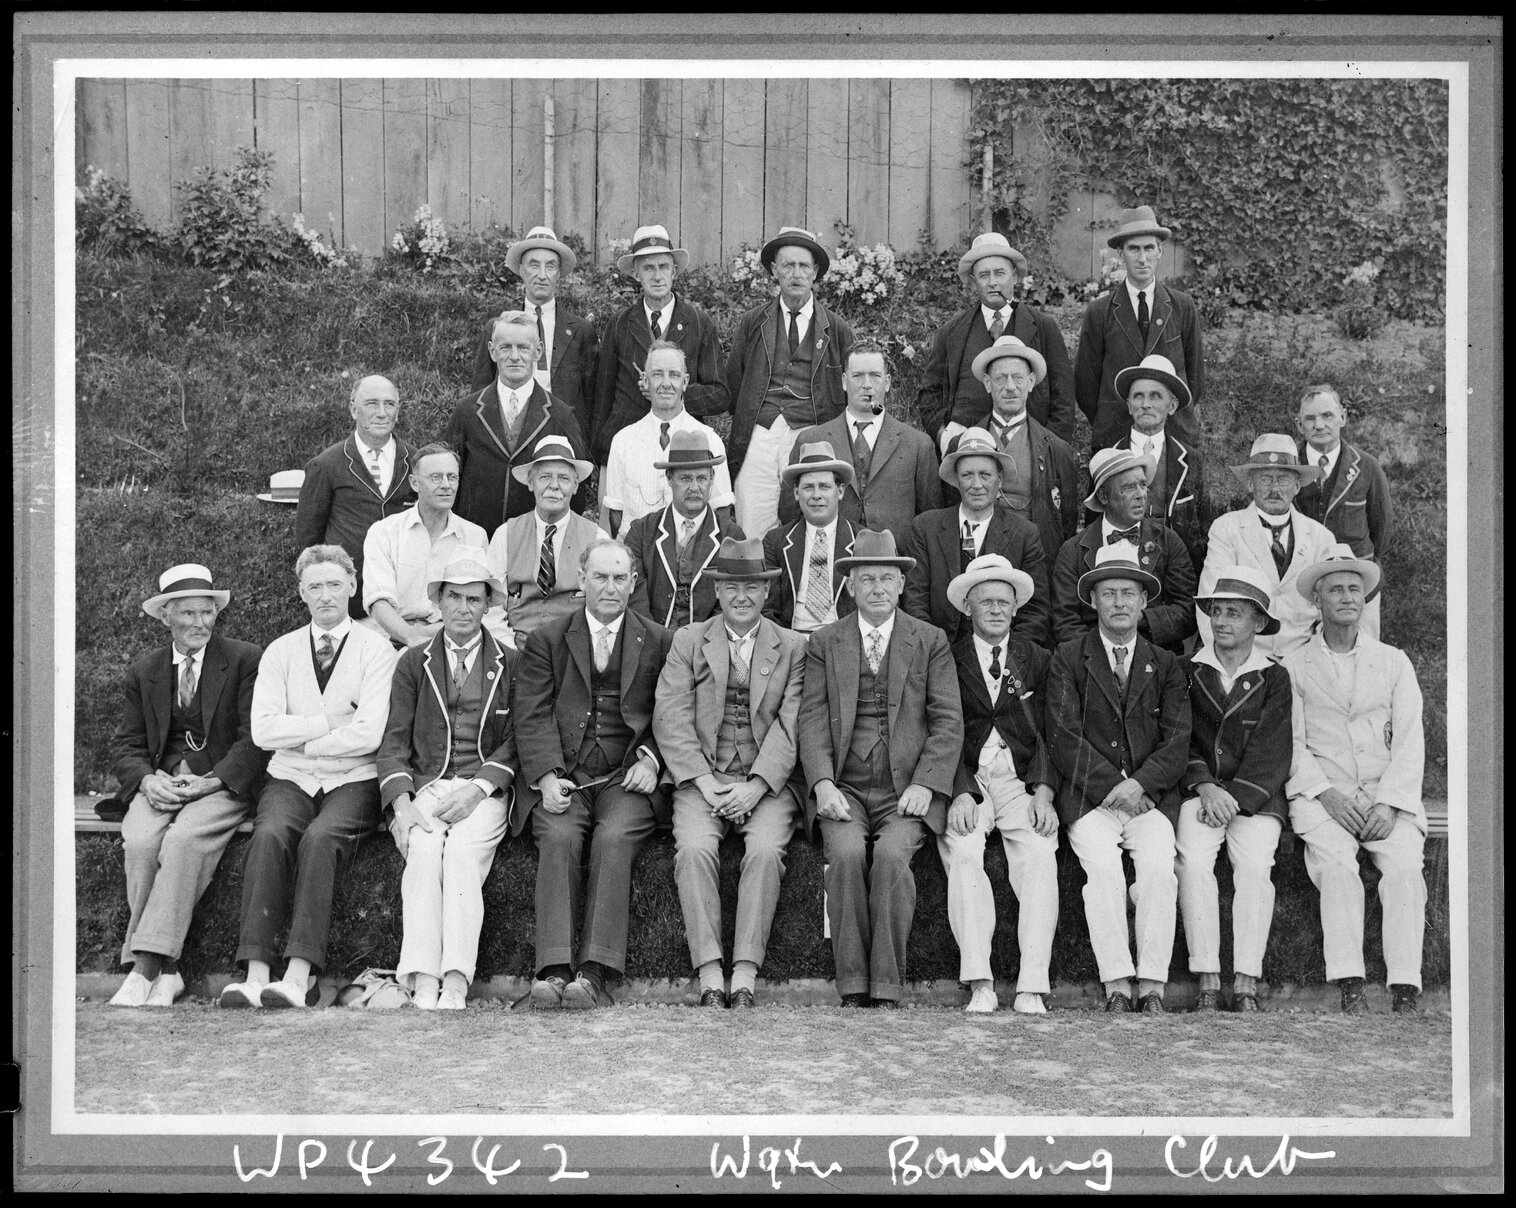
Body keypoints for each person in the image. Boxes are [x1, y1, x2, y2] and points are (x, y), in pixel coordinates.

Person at [220, 545, 397, 1009]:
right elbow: (263, 730)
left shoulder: (378, 651)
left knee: (320, 838)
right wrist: (329, 724)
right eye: (314, 586)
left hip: (353, 778)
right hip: (290, 776)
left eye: (334, 584)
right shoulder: (280, 650)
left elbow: (370, 733)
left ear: (353, 587)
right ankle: (256, 975)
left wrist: (300, 735)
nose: (325, 595)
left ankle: (299, 977)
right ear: (301, 592)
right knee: (271, 833)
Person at [797, 529, 963, 1007]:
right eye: (866, 578)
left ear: (901, 585)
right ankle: (852, 984)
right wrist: (823, 783)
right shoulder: (826, 641)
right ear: (849, 586)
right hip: (846, 786)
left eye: (886, 579)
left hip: (904, 789)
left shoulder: (928, 640)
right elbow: (811, 717)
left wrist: (928, 784)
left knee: (892, 858)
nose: (876, 588)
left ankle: (886, 986)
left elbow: (948, 720)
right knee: (846, 856)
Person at [514, 538, 674, 1010]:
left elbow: (673, 714)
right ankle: (554, 971)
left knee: (615, 837)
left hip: (627, 777)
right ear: (581, 581)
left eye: (619, 578)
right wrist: (545, 776)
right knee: (559, 836)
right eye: (600, 577)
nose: (610, 587)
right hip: (566, 773)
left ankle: (594, 972)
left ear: (633, 582)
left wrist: (650, 758)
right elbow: (532, 713)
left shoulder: (660, 640)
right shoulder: (547, 639)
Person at [653, 537, 807, 1008]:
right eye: (732, 587)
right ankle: (708, 971)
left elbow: (791, 722)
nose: (742, 596)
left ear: (766, 593)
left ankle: (744, 971)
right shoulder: (688, 639)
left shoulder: (794, 646)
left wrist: (757, 786)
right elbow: (670, 714)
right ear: (717, 593)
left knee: (763, 851)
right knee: (695, 850)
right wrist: (703, 781)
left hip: (765, 782)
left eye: (752, 587)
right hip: (704, 776)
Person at [108, 564, 270, 1008]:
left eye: (207, 612)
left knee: (182, 840)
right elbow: (126, 744)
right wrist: (146, 779)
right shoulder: (145, 672)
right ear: (166, 618)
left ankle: (143, 967)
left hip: (221, 783)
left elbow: (255, 737)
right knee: (140, 841)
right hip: (163, 782)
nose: (200, 623)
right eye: (188, 614)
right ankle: (171, 971)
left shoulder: (244, 659)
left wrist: (212, 780)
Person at [1283, 545, 1428, 1015]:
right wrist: (1326, 795)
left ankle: (1405, 987)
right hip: (1326, 797)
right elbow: (1293, 742)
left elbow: (1409, 741)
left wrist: (1389, 804)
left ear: (1364, 599)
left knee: (1404, 869)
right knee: (1339, 869)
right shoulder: (1295, 665)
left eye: (1354, 589)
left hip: (1387, 799)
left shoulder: (1393, 661)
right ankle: (1350, 983)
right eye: (1335, 590)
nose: (1347, 598)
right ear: (1317, 601)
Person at [1048, 543, 1191, 1013]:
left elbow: (1176, 740)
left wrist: (1140, 785)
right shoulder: (1070, 657)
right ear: (1093, 601)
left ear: (1144, 600)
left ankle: (1151, 984)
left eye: (1128, 593)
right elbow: (1064, 734)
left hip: (1148, 800)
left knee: (1157, 871)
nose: (1119, 604)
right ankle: (1116, 983)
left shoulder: (1166, 663)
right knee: (1104, 872)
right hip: (1091, 798)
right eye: (1108, 594)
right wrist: (1114, 785)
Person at [377, 558, 519, 1011]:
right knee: (421, 847)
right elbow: (394, 740)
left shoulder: (512, 662)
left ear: (488, 605)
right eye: (453, 597)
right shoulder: (412, 662)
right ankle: (421, 978)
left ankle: (456, 979)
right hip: (431, 784)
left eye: (474, 599)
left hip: (484, 787)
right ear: (437, 602)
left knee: (459, 853)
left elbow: (520, 739)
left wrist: (480, 788)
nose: (463, 608)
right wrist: (401, 804)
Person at [938, 554, 1060, 1015]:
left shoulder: (1038, 659)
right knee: (966, 850)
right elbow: (940, 731)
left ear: (1015, 608)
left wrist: (1044, 791)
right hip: (968, 774)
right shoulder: (947, 658)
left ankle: (1032, 984)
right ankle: (980, 981)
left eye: (1002, 602)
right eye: (984, 601)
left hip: (1019, 777)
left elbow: (1052, 730)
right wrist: (958, 790)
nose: (994, 609)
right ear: (967, 608)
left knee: (1039, 851)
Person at [1176, 566, 1293, 1013]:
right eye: (1216, 612)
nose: (1221, 622)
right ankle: (1207, 976)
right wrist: (1205, 785)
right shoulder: (1189, 671)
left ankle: (1245, 979)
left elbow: (1272, 750)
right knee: (1193, 860)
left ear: (1258, 623)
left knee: (1255, 865)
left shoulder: (1274, 677)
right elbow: (1179, 735)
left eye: (1235, 614)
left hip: (1254, 798)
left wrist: (1236, 799)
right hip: (1200, 793)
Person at [727, 226, 856, 537]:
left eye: (804, 266)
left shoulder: (836, 329)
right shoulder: (753, 322)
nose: (796, 274)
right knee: (752, 518)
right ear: (775, 271)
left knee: (806, 521)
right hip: (761, 432)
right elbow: (734, 382)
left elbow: (847, 391)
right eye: (788, 265)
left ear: (815, 273)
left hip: (811, 434)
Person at [918, 232, 1076, 447]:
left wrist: (1048, 449)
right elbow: (930, 394)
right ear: (974, 281)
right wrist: (944, 436)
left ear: (1015, 276)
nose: (993, 283)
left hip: (1031, 451)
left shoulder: (1043, 327)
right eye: (984, 275)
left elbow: (1064, 399)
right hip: (968, 453)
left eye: (1000, 273)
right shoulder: (952, 332)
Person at [902, 427, 1052, 648]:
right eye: (967, 475)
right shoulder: (926, 528)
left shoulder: (1024, 534)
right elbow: (915, 601)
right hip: (939, 654)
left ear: (999, 480)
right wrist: (934, 653)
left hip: (1001, 658)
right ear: (956, 480)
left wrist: (1004, 656)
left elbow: (1035, 611)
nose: (977, 485)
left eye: (985, 475)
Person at [592, 224, 728, 466]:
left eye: (664, 267)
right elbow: (602, 398)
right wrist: (602, 455)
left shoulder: (698, 322)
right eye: (648, 268)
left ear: (674, 271)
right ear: (636, 274)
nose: (657, 276)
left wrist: (675, 393)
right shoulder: (620, 324)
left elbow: (720, 394)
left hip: (683, 447)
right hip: (628, 445)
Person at [779, 344, 941, 546]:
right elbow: (789, 512)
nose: (867, 385)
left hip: (894, 565)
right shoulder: (810, 440)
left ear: (888, 382)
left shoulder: (918, 444)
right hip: (829, 564)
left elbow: (930, 520)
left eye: (875, 375)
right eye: (857, 376)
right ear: (844, 382)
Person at [449, 310, 591, 537]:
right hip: (475, 540)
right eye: (505, 347)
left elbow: (576, 492)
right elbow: (449, 477)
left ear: (539, 351)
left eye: (523, 347)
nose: (514, 356)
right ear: (492, 352)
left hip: (533, 543)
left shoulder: (561, 415)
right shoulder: (467, 411)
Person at [1074, 205, 1204, 452]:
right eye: (1134, 249)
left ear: (1160, 251)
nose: (1142, 258)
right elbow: (1086, 385)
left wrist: (1162, 411)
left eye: (1149, 248)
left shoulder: (1182, 307)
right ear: (1121, 254)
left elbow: (1194, 379)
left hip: (1174, 432)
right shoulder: (1100, 312)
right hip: (1116, 434)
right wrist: (1112, 417)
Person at [1198, 433, 1338, 656]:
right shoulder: (1227, 529)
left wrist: (1314, 659)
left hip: (1303, 660)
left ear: (1297, 486)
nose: (1274, 489)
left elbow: (1330, 611)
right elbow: (1210, 602)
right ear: (1251, 484)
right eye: (1265, 479)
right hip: (1245, 659)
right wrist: (1228, 662)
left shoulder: (1321, 537)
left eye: (1283, 479)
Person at [946, 336, 1080, 564]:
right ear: (987, 384)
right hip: (975, 559)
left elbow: (1065, 524)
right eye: (1000, 379)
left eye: (1017, 378)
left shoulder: (1058, 451)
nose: (1010, 387)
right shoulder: (960, 444)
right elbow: (950, 514)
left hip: (1031, 562)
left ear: (1030, 381)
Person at [295, 374, 417, 619]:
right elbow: (309, 541)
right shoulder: (326, 465)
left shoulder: (416, 461)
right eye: (371, 404)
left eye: (389, 404)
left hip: (405, 597)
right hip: (351, 601)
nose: (382, 412)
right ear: (353, 409)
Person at [1052, 447, 1197, 652]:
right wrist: (1103, 655)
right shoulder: (1073, 551)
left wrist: (1141, 618)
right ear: (1104, 496)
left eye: (1143, 485)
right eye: (1129, 488)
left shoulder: (1167, 541)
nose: (1141, 495)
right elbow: (1064, 621)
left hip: (1156, 657)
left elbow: (1187, 611)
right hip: (1093, 660)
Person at [467, 225, 598, 443]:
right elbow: (481, 394)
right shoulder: (498, 329)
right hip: (512, 437)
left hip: (562, 438)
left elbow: (593, 400)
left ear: (559, 274)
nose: (542, 275)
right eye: (534, 265)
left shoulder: (581, 331)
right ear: (521, 270)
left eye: (550, 266)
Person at [601, 341, 735, 536]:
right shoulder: (623, 441)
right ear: (645, 381)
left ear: (686, 381)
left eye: (674, 375)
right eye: (657, 374)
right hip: (639, 555)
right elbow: (615, 513)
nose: (666, 383)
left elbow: (721, 509)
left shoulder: (709, 439)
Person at [361, 443, 488, 648]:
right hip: (388, 637)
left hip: (449, 638)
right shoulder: (384, 532)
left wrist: (430, 637)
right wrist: (412, 638)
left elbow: (474, 605)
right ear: (414, 483)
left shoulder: (474, 536)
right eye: (436, 477)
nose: (446, 485)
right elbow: (378, 602)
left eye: (452, 477)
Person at [1293, 384, 1395, 638]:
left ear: (1343, 417)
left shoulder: (1367, 467)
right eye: (1310, 418)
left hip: (1357, 585)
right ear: (1299, 425)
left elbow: (1382, 528)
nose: (1319, 425)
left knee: (1361, 659)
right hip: (1303, 586)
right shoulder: (1290, 467)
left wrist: (1364, 568)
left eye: (1327, 415)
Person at [482, 435, 600, 649]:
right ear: (530, 482)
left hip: (573, 652)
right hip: (515, 648)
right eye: (545, 477)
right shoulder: (506, 533)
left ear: (575, 486)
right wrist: (509, 650)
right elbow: (491, 606)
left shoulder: (596, 538)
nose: (554, 486)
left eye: (564, 479)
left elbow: (602, 606)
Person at [623, 430, 744, 629]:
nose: (695, 487)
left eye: (702, 478)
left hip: (708, 643)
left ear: (712, 478)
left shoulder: (731, 536)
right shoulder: (641, 532)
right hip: (651, 641)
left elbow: (731, 602)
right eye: (686, 479)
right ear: (669, 478)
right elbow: (634, 598)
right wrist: (656, 640)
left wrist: (702, 642)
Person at [1111, 353, 1209, 566]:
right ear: (1128, 405)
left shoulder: (1190, 460)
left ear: (1172, 406)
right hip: (1123, 564)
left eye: (1155, 396)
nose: (1145, 404)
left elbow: (1203, 527)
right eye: (1138, 396)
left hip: (1174, 566)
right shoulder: (1111, 456)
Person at [761, 441, 861, 633]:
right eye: (808, 488)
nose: (816, 495)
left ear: (839, 492)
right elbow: (767, 606)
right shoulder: (775, 542)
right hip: (791, 640)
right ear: (797, 493)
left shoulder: (860, 540)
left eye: (824, 487)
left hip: (845, 641)